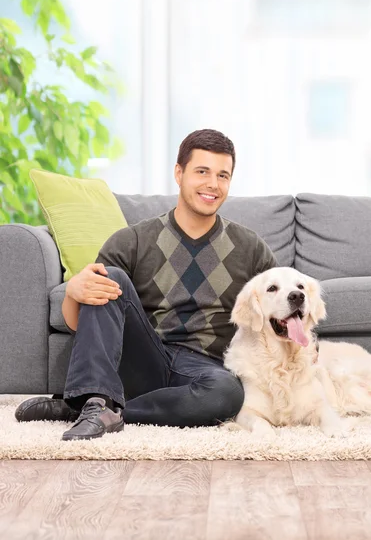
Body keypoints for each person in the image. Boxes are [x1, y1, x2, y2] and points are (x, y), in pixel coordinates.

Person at [15, 129, 278, 441]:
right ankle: (97, 400)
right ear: (179, 173)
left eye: (223, 175)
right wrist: (73, 293)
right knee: (110, 278)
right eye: (202, 172)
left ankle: (92, 409)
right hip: (143, 359)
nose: (213, 184)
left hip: (204, 371)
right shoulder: (132, 241)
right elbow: (85, 325)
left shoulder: (250, 248)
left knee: (227, 395)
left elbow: (282, 310)